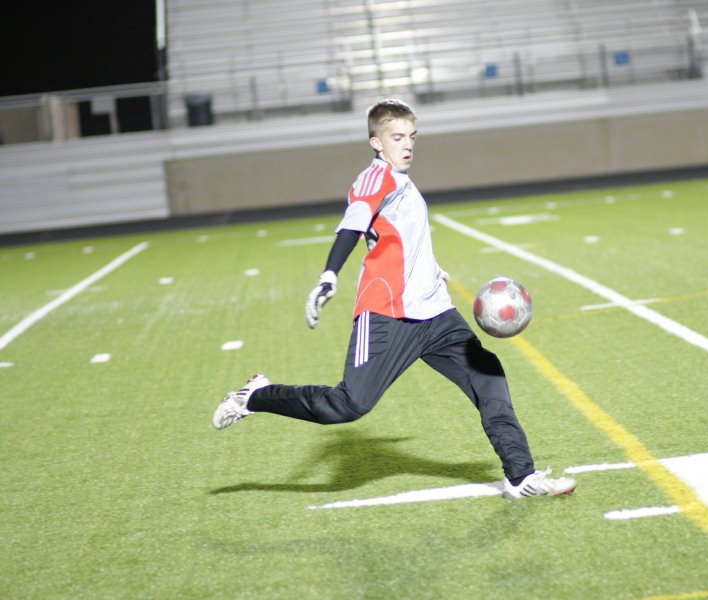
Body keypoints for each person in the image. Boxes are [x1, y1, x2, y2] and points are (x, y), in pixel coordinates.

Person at [212, 99, 575, 500]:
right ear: (376, 142)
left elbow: (398, 238)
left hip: (435, 314)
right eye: (397, 137)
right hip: (388, 315)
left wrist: (430, 269)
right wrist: (329, 274)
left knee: (488, 376)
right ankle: (256, 396)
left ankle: (520, 476)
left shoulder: (403, 182)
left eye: (412, 137)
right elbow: (354, 223)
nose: (407, 145)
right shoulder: (375, 177)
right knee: (347, 405)